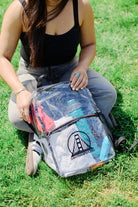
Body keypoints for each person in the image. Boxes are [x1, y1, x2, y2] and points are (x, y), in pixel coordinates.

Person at [0, 0, 117, 176]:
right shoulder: (19, 9)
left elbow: (89, 45)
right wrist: (20, 91)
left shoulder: (81, 6)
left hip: (69, 70)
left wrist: (82, 68)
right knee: (16, 117)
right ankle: (81, 118)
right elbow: (2, 57)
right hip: (32, 73)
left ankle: (43, 127)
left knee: (107, 94)